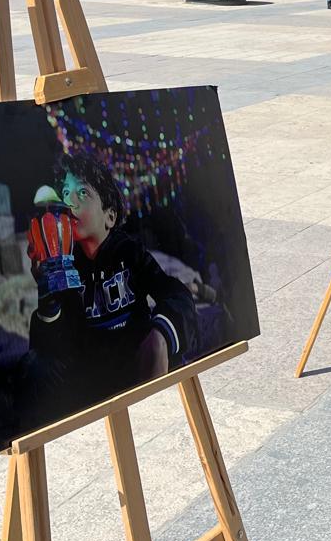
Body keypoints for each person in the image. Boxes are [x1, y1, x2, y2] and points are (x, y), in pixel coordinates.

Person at [24, 151, 202, 425]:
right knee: (35, 366)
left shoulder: (128, 251)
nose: (69, 201)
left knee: (171, 348)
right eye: (66, 192)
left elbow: (174, 292)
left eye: (82, 193)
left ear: (109, 216)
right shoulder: (65, 262)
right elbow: (52, 345)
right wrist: (48, 296)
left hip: (134, 358)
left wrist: (160, 335)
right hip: (91, 372)